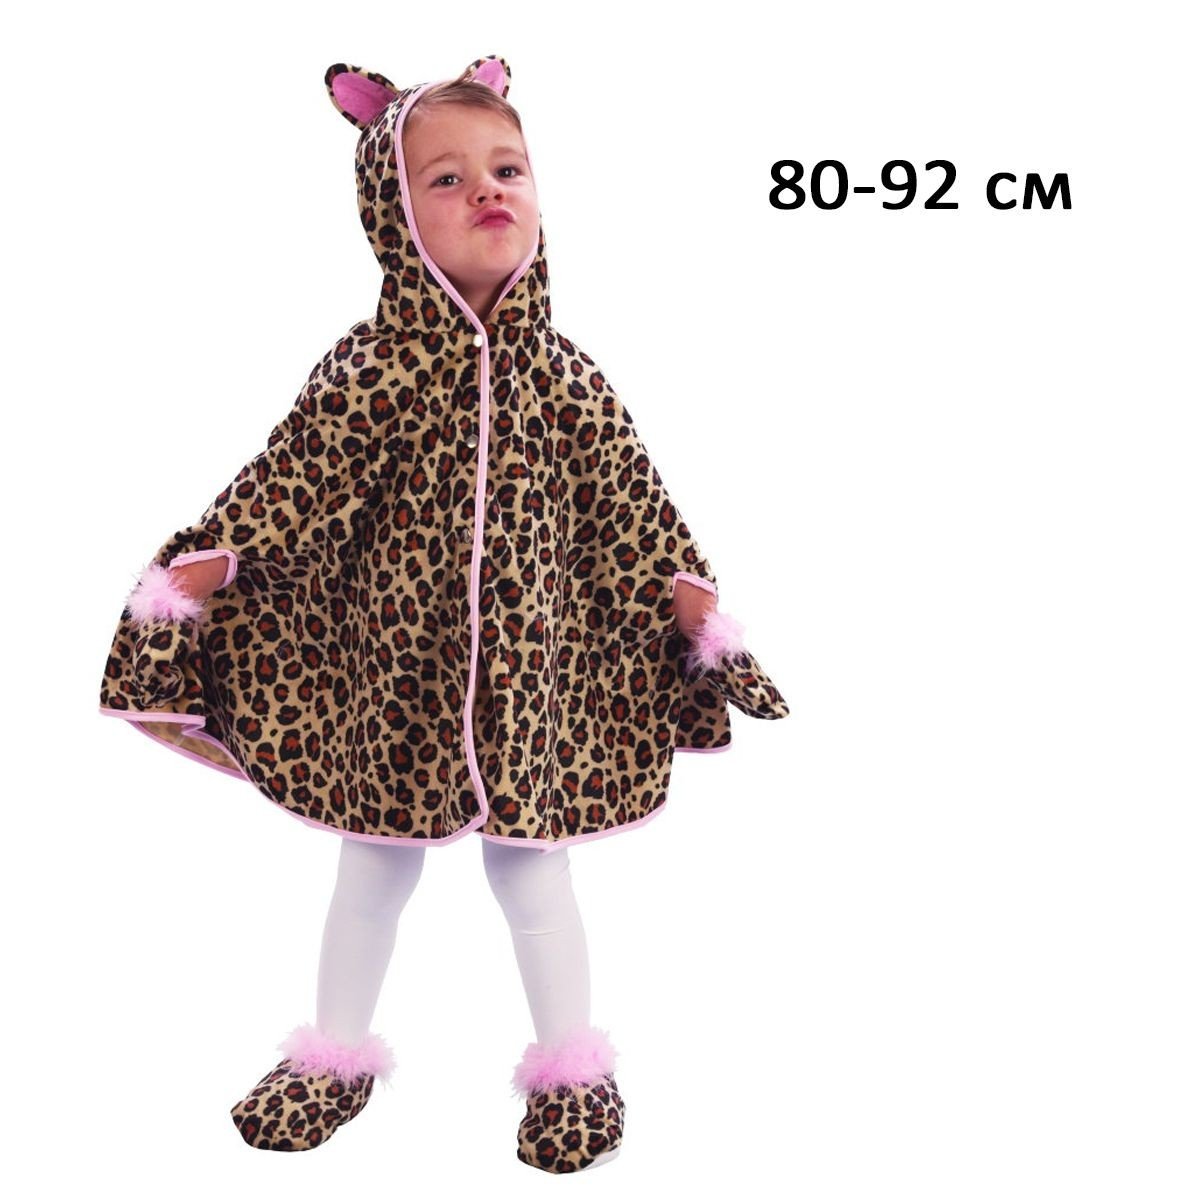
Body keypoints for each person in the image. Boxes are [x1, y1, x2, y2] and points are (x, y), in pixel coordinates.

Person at [98, 55, 789, 1172]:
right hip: (395, 676)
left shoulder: (566, 378)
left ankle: (573, 1070)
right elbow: (295, 478)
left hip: (534, 679)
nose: (487, 192)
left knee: (533, 868)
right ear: (393, 214)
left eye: (507, 169)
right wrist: (212, 560)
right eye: (447, 178)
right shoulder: (374, 368)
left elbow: (630, 500)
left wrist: (684, 590)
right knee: (374, 864)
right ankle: (330, 1058)